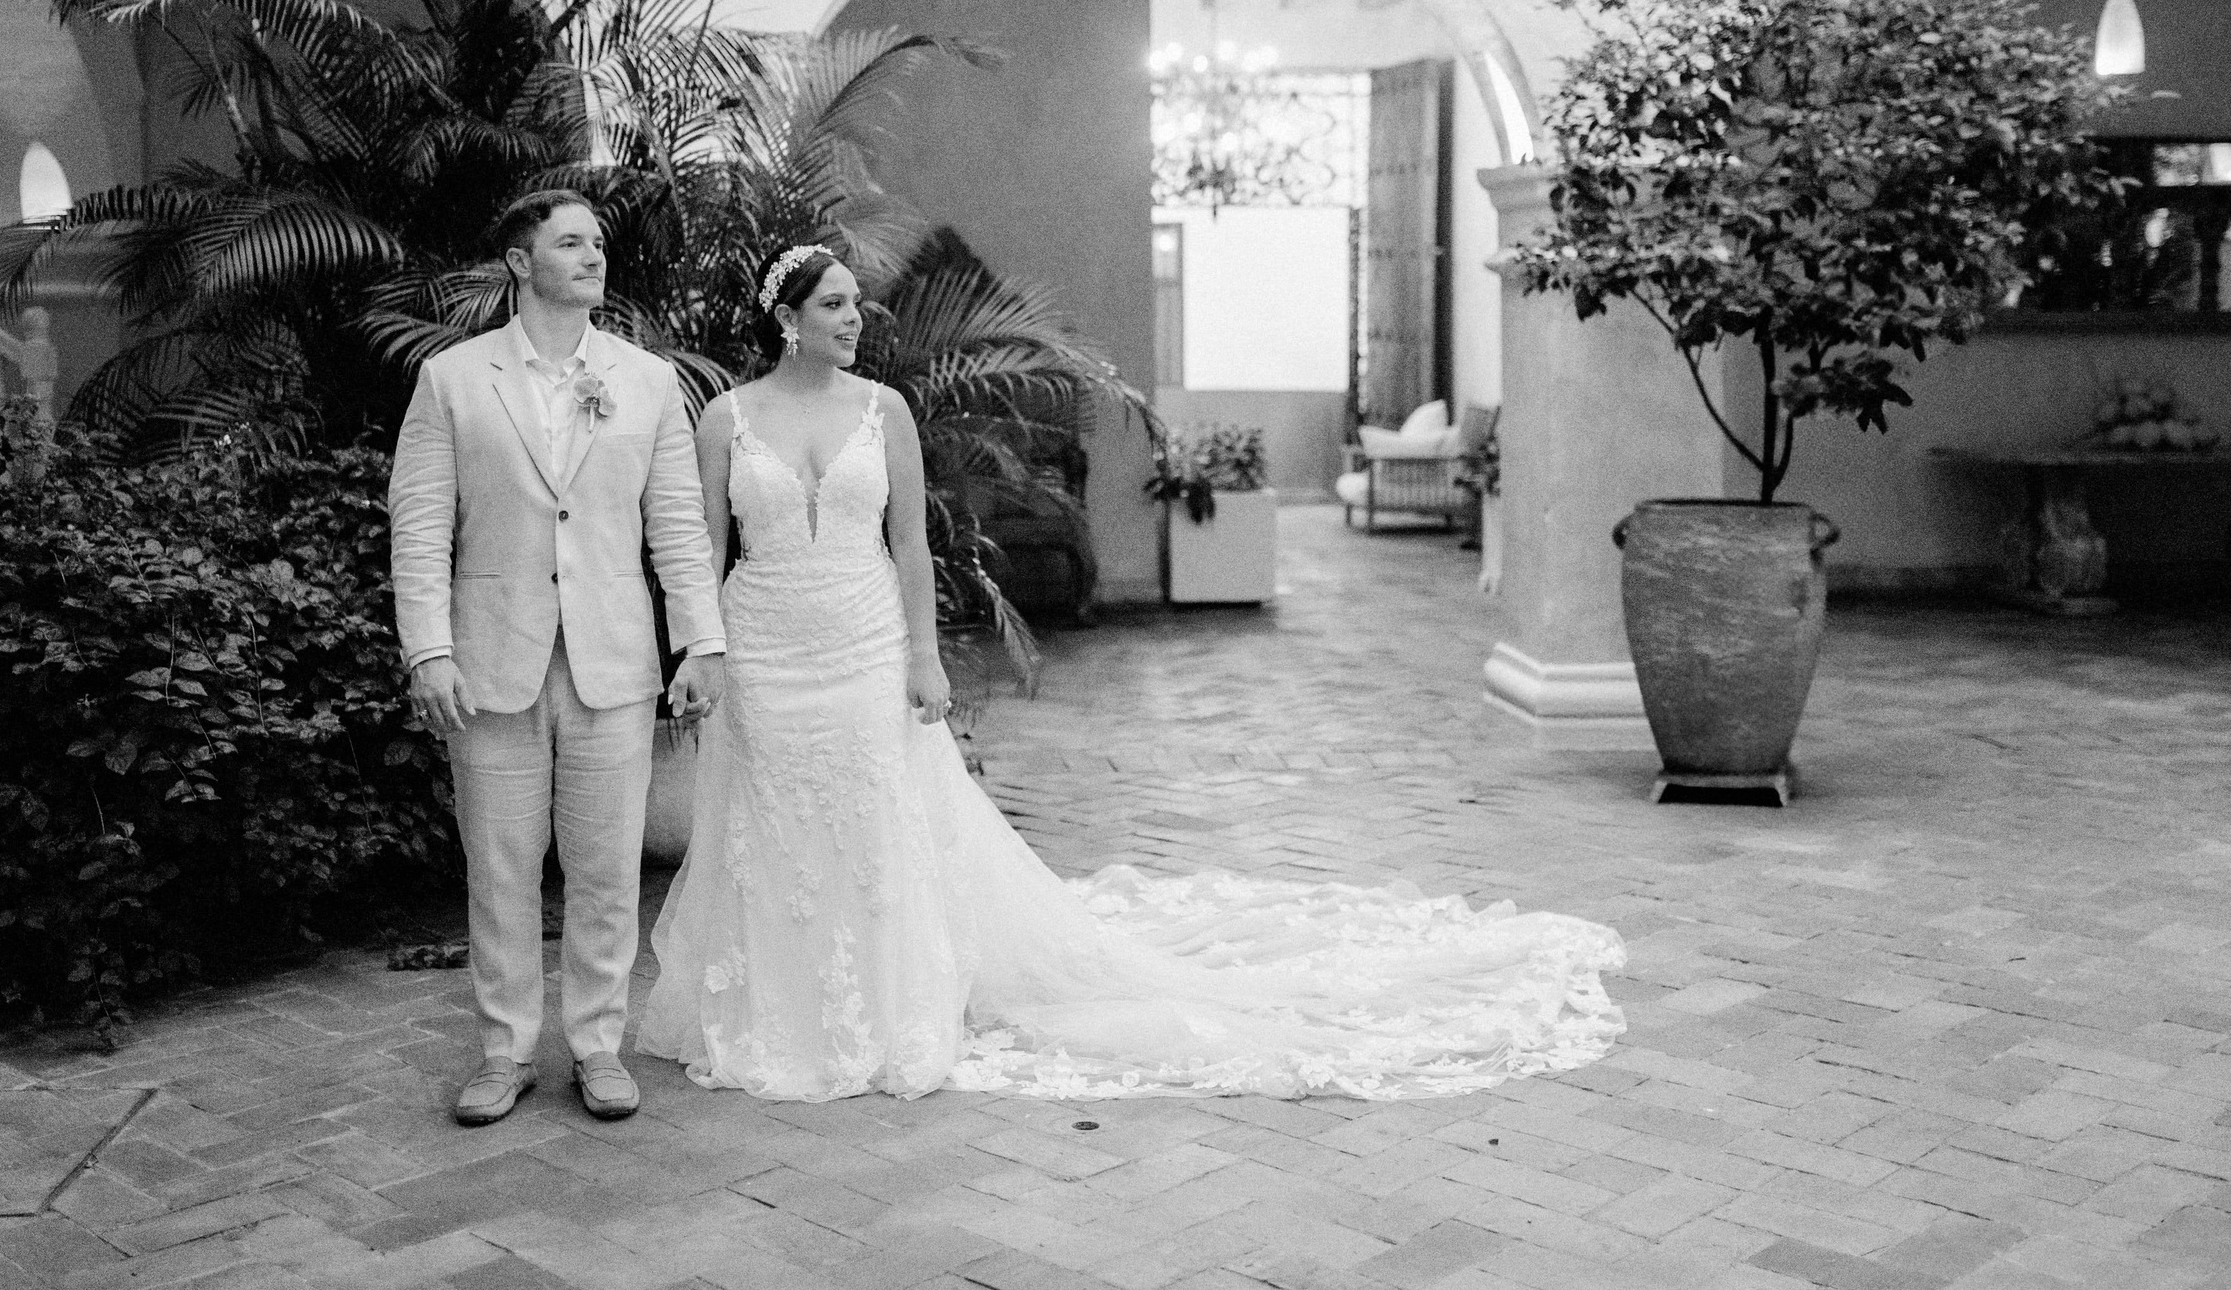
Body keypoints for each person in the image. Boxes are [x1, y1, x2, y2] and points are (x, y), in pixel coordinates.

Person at [636, 245, 1627, 1103]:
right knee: (771, 831)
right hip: (767, 648)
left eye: (857, 302)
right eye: (835, 305)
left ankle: (879, 1005)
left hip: (858, 644)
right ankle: (780, 1006)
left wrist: (925, 655)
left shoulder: (882, 411)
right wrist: (701, 654)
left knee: (866, 824)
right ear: (787, 318)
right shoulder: (726, 419)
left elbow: (908, 547)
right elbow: (702, 550)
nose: (857, 320)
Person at [389, 190, 725, 1127]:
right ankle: (504, 1052)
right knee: (498, 868)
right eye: (569, 242)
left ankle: (596, 1044)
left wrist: (701, 639)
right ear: (517, 259)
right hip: (492, 659)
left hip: (612, 658)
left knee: (609, 867)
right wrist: (428, 648)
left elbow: (678, 526)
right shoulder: (452, 380)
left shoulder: (648, 380)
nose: (593, 256)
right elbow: (419, 527)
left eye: (599, 243)